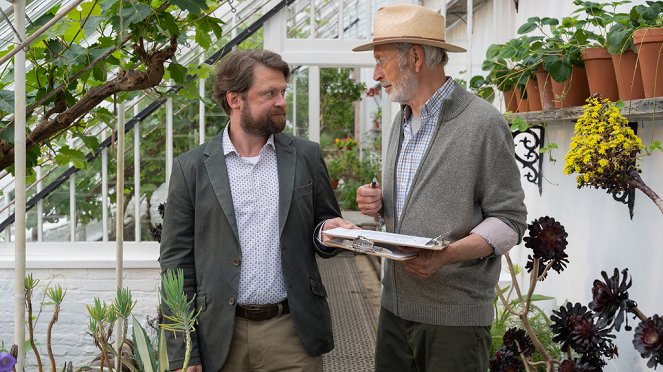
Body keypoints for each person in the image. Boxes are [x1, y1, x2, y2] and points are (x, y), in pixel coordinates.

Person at [354, 4, 528, 372]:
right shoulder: (402, 122)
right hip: (394, 310)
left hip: (454, 322)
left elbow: (510, 220)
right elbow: (420, 199)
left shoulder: (482, 123)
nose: (376, 74)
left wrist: (447, 255)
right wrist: (380, 203)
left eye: (381, 61)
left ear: (415, 57)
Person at [159, 49, 356, 372]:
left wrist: (329, 233)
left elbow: (323, 225)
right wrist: (185, 350)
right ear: (235, 100)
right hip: (220, 334)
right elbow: (175, 264)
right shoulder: (191, 169)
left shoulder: (305, 156)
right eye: (269, 93)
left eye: (282, 92)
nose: (281, 101)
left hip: (292, 332)